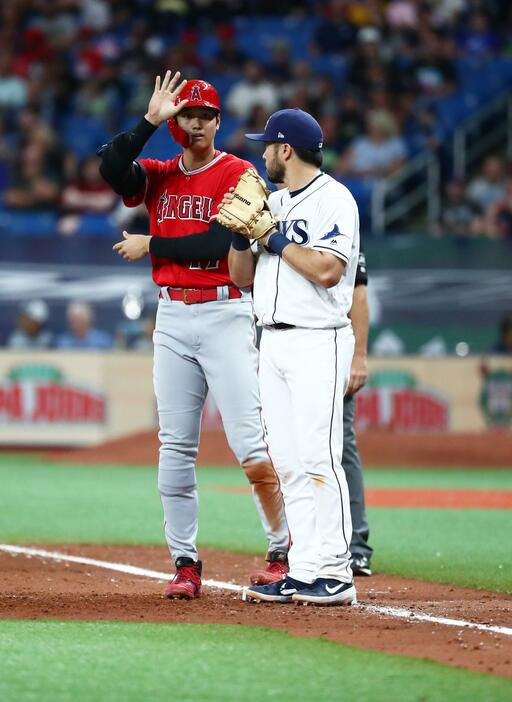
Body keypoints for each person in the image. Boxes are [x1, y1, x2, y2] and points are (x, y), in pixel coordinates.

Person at [98, 70, 288, 600]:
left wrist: (151, 243)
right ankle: (185, 563)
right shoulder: (160, 173)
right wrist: (147, 122)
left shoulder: (238, 172)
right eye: (188, 115)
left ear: (219, 121)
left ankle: (281, 551)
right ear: (177, 121)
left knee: (250, 444)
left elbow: (213, 243)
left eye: (206, 115)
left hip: (226, 314)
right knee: (175, 447)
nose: (198, 123)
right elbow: (111, 168)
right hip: (174, 318)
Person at [228, 108, 359, 605]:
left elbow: (327, 270)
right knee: (286, 461)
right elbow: (240, 276)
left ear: (286, 149)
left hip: (318, 338)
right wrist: (243, 235)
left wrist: (273, 237)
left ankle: (337, 571)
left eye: (267, 145)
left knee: (319, 457)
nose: (261, 154)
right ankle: (305, 568)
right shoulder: (271, 201)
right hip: (272, 339)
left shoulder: (336, 200)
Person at [344, 252, 373, 576]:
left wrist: (359, 356)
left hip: (331, 340)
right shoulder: (274, 207)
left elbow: (358, 291)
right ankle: (299, 546)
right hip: (279, 342)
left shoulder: (337, 207)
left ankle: (356, 546)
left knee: (341, 445)